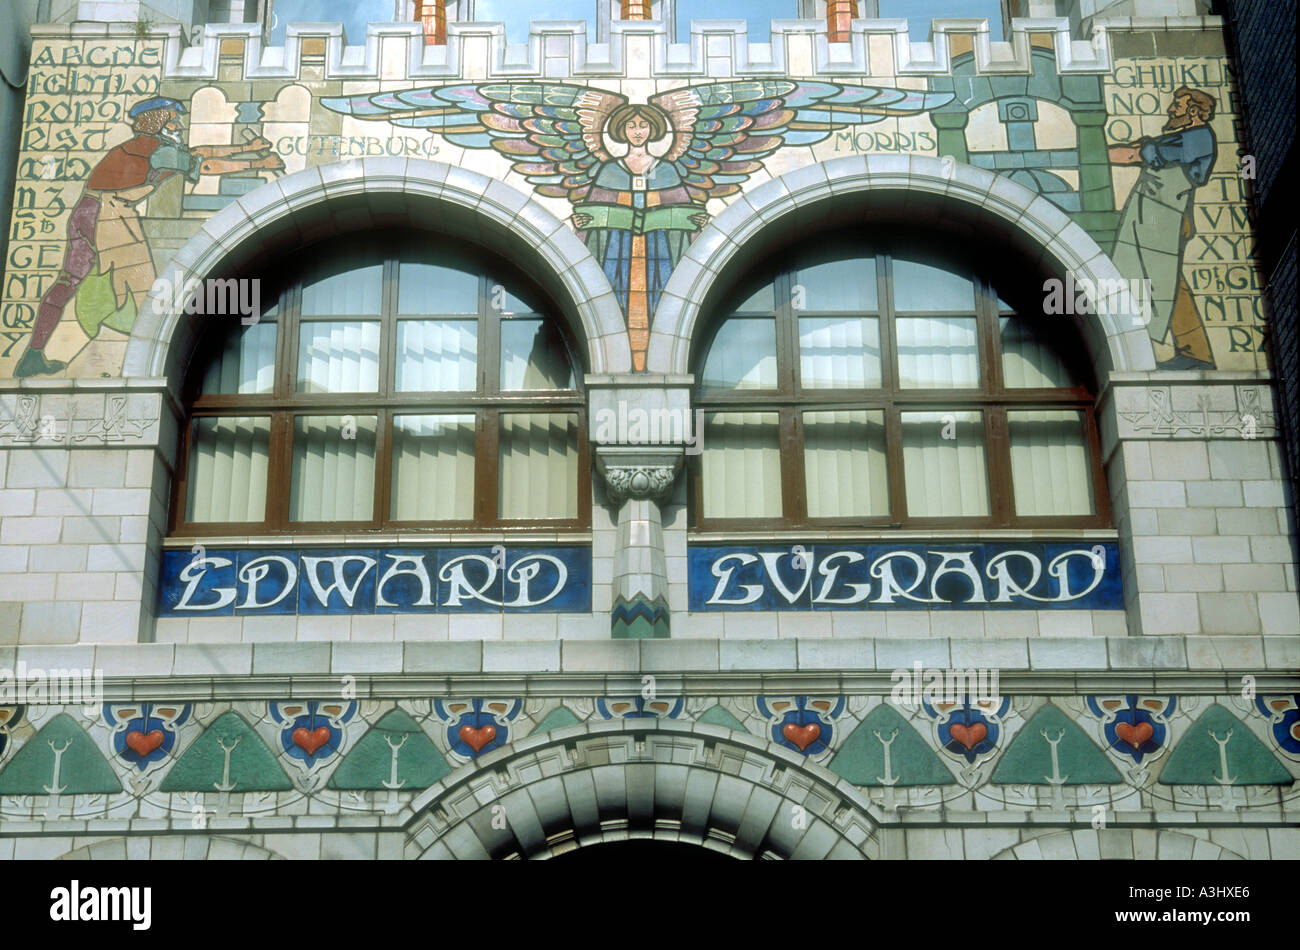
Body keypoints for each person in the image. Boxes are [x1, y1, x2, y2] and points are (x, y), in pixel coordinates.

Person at [15, 97, 285, 378]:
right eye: (172, 118)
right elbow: (204, 166)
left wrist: (246, 149)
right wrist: (260, 163)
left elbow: (200, 152)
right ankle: (124, 365)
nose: (178, 124)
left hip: (87, 211)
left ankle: (34, 355)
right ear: (158, 120)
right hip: (110, 214)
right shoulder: (158, 150)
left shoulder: (152, 145)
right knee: (146, 291)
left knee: (69, 282)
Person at [569, 104, 709, 362]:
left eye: (643, 125)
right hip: (617, 248)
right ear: (620, 130)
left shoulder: (667, 169)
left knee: (660, 299)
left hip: (660, 249)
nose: (637, 131)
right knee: (615, 301)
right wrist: (585, 220)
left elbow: (683, 207)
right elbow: (593, 209)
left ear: (653, 130)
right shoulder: (609, 170)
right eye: (631, 125)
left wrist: (694, 220)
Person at [1108, 86, 1218, 370]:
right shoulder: (1183, 137)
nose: (1170, 109)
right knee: (1168, 282)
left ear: (1193, 111)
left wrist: (1088, 154)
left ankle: (1195, 355)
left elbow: (1138, 155)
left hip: (1167, 218)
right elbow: (1136, 153)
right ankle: (1194, 353)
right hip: (1155, 217)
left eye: (1177, 106)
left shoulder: (1198, 138)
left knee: (1165, 282)